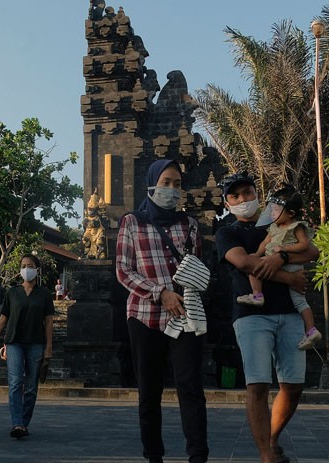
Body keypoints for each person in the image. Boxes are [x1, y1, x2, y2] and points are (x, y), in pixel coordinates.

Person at [215, 172, 319, 463]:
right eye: (235, 196)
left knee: (293, 385)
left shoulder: (278, 222)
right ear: (227, 202)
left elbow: (311, 251)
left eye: (248, 193)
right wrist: (289, 278)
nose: (243, 200)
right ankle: (266, 455)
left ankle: (272, 439)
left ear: (257, 195)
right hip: (251, 314)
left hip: (289, 312)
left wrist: (280, 257)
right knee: (258, 383)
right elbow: (244, 262)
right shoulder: (228, 232)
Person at [115, 160, 209, 463]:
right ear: (152, 184)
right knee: (149, 390)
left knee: (190, 386)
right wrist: (160, 293)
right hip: (144, 315)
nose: (172, 189)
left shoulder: (189, 225)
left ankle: (198, 455)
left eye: (177, 184)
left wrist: (182, 294)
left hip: (184, 314)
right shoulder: (132, 221)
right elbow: (123, 270)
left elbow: (195, 268)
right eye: (166, 182)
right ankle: (153, 455)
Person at [236, 185, 323, 350]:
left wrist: (285, 250)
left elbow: (305, 246)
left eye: (276, 210)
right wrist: (256, 253)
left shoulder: (296, 227)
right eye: (272, 210)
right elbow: (265, 243)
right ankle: (311, 330)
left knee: (255, 269)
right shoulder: (274, 227)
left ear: (290, 213)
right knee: (299, 301)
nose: (273, 214)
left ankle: (257, 295)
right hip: (280, 264)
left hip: (292, 266)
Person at [0, 254, 54, 439]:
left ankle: (24, 421)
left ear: (36, 269)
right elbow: (4, 318)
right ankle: (17, 423)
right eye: (23, 265)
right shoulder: (12, 293)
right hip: (14, 342)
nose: (26, 269)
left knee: (31, 386)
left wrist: (49, 347)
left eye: (30, 265)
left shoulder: (44, 295)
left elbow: (49, 322)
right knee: (15, 383)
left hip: (36, 343)